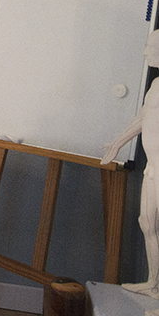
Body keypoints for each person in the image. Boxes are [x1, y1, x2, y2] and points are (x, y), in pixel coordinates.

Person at [102, 29, 159, 300]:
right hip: (152, 172)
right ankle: (153, 282)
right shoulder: (156, 87)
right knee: (147, 222)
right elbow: (141, 120)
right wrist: (116, 143)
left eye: (151, 47)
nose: (146, 52)